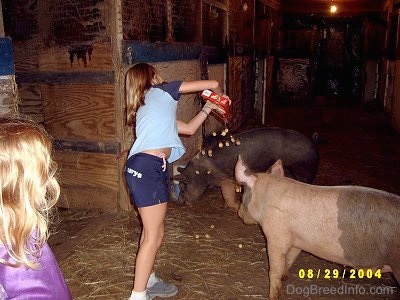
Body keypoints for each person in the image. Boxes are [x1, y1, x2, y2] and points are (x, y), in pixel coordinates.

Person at [124, 63, 230, 300]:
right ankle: (137, 296)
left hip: (148, 168)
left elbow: (190, 129)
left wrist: (208, 108)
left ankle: (148, 280)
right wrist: (221, 100)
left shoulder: (150, 108)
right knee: (153, 235)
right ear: (152, 77)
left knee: (154, 233)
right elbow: (212, 84)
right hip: (147, 168)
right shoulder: (161, 90)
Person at [0, 114, 72, 299]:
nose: (50, 179)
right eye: (43, 170)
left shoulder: (22, 229)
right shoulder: (12, 257)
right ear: (16, 182)